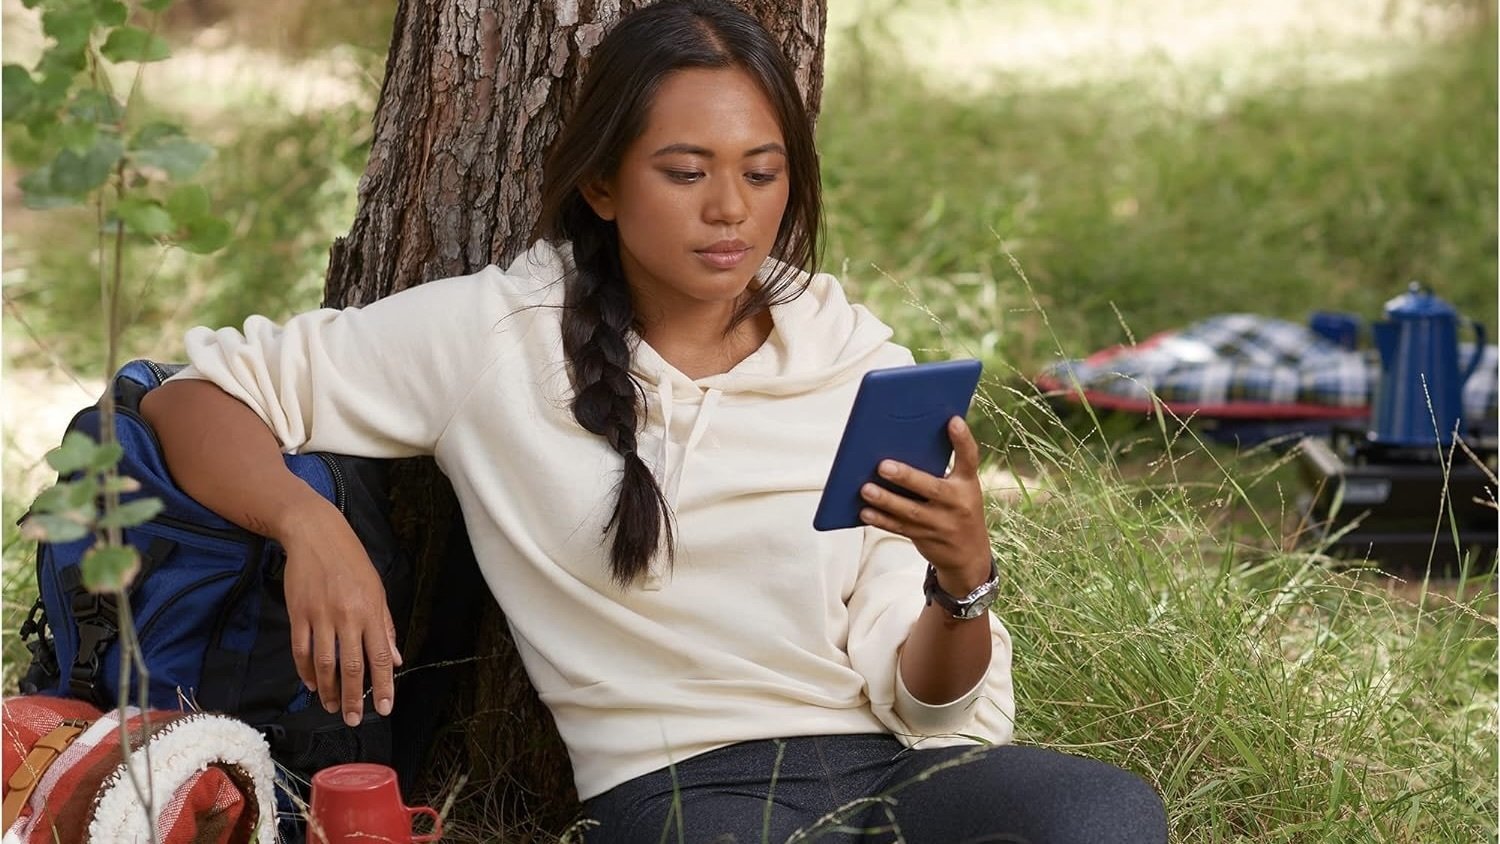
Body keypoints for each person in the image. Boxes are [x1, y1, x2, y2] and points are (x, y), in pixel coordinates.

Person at [140, 1, 1168, 841]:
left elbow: (928, 705)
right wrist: (306, 524)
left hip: (893, 769)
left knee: (1106, 812)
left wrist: (960, 584)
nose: (731, 209)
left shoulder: (855, 360)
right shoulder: (501, 337)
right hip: (688, 794)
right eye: (686, 171)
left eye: (760, 172)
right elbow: (194, 396)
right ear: (601, 184)